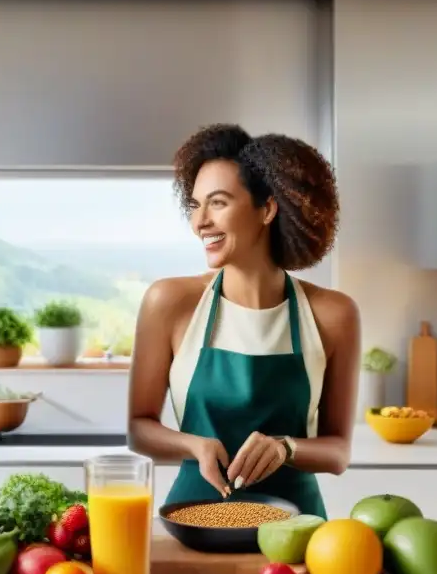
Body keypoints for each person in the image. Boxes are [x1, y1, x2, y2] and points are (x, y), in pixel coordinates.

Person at [128, 124, 360, 517]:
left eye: (217, 202)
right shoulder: (170, 303)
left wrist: (286, 447)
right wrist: (194, 445)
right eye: (194, 205)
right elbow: (139, 427)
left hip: (297, 529)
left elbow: (337, 451)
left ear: (267, 209)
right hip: (193, 518)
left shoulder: (333, 315)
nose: (200, 221)